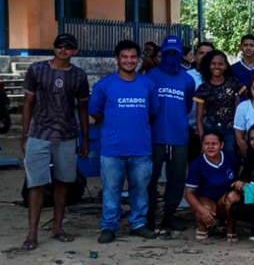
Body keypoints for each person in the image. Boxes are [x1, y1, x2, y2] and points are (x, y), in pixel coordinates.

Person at [20, 33, 90, 250]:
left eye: (68, 47)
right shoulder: (37, 70)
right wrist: (25, 135)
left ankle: (57, 227)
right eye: (59, 46)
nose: (63, 50)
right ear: (54, 48)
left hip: (67, 137)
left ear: (75, 51)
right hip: (39, 135)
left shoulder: (79, 75)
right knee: (36, 184)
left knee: (63, 183)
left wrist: (85, 139)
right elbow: (28, 104)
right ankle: (32, 233)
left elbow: (82, 107)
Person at [89, 40, 159, 243]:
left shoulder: (147, 84)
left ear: (138, 59)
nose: (129, 61)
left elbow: (153, 112)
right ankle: (109, 227)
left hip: (141, 148)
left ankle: (138, 224)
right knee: (111, 190)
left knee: (139, 190)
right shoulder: (105, 84)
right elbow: (95, 111)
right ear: (117, 59)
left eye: (133, 57)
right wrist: (113, 122)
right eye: (124, 57)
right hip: (112, 149)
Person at [145, 35, 196, 232]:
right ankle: (149, 215)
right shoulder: (151, 76)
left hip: (179, 136)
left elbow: (188, 104)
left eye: (176, 53)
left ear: (181, 55)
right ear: (162, 53)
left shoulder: (187, 79)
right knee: (150, 178)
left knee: (176, 179)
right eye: (168, 52)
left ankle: (169, 215)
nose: (172, 56)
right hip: (154, 137)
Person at [184, 129, 240, 242]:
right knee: (205, 208)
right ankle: (202, 227)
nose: (210, 147)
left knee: (234, 196)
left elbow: (237, 177)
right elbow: (188, 193)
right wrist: (201, 210)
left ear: (222, 145)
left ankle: (230, 229)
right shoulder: (197, 164)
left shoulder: (230, 158)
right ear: (202, 145)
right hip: (206, 199)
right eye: (206, 144)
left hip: (223, 200)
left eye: (214, 144)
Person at [194, 50, 245, 155]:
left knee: (229, 160)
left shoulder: (233, 82)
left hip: (230, 131)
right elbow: (199, 118)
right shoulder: (203, 88)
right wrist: (202, 140)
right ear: (208, 65)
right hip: (210, 130)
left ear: (226, 66)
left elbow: (250, 97)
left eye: (220, 64)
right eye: (213, 64)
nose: (217, 67)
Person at [187, 42, 215, 163]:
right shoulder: (187, 76)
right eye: (201, 53)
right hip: (191, 132)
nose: (204, 56)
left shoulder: (221, 77)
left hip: (215, 132)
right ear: (195, 56)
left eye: (208, 53)